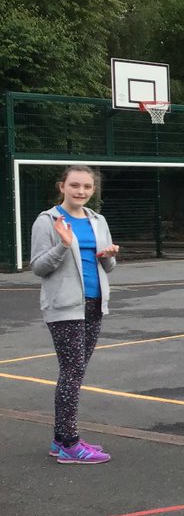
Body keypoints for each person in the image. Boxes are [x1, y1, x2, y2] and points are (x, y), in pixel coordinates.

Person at [29, 165, 120, 464]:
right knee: (72, 372)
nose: (81, 191)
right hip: (65, 306)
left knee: (76, 372)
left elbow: (108, 267)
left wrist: (109, 256)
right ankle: (70, 444)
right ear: (62, 187)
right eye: (75, 185)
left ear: (93, 190)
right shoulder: (47, 221)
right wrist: (63, 246)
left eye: (87, 187)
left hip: (94, 303)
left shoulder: (98, 220)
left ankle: (60, 439)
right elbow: (38, 267)